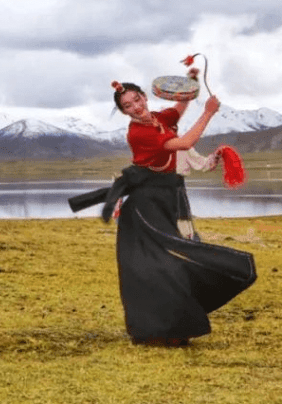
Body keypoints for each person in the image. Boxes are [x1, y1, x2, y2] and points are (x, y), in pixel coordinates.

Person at [71, 78, 257, 346]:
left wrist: (189, 83)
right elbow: (184, 144)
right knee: (161, 266)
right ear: (124, 112)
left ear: (145, 97)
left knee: (173, 264)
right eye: (127, 106)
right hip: (145, 207)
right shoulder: (140, 133)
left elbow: (179, 108)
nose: (135, 107)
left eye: (137, 99)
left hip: (166, 202)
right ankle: (159, 330)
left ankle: (174, 328)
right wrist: (208, 112)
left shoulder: (158, 119)